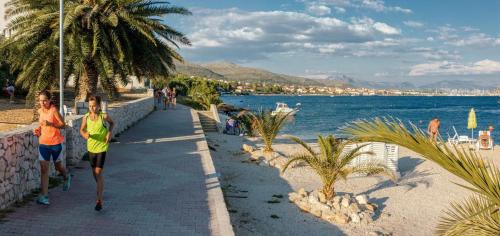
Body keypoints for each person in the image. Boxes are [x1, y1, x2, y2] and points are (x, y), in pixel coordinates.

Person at [33, 90, 71, 205]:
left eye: (45, 100)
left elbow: (63, 125)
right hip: (43, 143)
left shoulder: (54, 110)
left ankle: (66, 176)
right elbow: (41, 124)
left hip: (55, 144)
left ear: (49, 100)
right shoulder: (40, 111)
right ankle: (44, 196)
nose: (42, 102)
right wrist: (38, 130)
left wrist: (51, 124)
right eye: (40, 100)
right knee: (44, 169)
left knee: (58, 166)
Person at [79, 95, 115, 211]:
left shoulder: (103, 116)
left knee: (98, 172)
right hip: (91, 148)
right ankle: (100, 187)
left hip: (102, 148)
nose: (92, 108)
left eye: (94, 106)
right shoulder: (86, 117)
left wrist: (109, 133)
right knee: (94, 173)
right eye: (90, 106)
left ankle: (99, 200)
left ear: (99, 106)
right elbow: (81, 129)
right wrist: (84, 134)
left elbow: (112, 124)